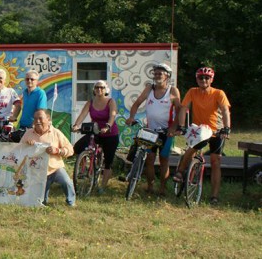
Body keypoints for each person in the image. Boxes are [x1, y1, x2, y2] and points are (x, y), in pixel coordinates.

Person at [172, 67, 231, 205]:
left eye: (207, 78)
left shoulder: (218, 93)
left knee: (216, 162)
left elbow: (225, 110)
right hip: (199, 130)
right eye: (200, 77)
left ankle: (214, 196)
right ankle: (180, 172)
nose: (203, 80)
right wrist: (181, 126)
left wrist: (226, 128)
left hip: (216, 130)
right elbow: (184, 108)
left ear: (212, 79)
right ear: (197, 79)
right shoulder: (192, 91)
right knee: (191, 150)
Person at [126, 63, 181, 196]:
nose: (156, 76)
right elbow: (137, 103)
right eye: (155, 73)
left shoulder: (173, 91)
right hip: (150, 130)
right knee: (149, 159)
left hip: (166, 132)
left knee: (163, 160)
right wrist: (131, 117)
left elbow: (179, 111)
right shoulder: (149, 88)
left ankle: (162, 188)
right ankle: (150, 186)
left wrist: (174, 127)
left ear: (167, 76)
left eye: (159, 74)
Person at [20, 109, 75, 207]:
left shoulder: (56, 133)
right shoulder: (28, 133)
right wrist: (27, 146)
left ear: (48, 120)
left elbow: (70, 150)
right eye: (35, 119)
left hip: (55, 169)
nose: (37, 121)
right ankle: (42, 199)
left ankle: (71, 202)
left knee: (66, 182)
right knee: (41, 202)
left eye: (40, 118)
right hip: (37, 172)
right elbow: (19, 151)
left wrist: (58, 151)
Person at [71, 80, 118, 193]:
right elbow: (83, 114)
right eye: (97, 87)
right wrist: (76, 125)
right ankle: (83, 167)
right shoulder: (90, 102)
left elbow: (112, 116)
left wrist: (108, 126)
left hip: (109, 133)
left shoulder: (110, 101)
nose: (99, 89)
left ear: (106, 89)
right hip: (95, 131)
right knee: (78, 147)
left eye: (101, 87)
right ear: (94, 89)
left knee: (108, 162)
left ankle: (102, 186)